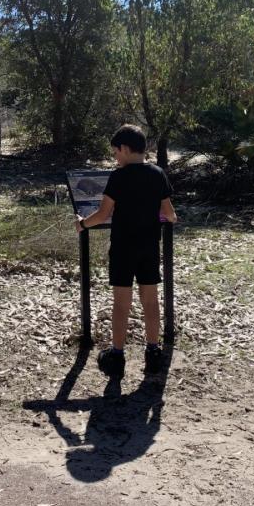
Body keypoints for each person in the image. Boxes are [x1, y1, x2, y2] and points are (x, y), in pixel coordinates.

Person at [74, 124, 177, 378]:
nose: (115, 157)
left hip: (122, 248)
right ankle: (153, 352)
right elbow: (170, 214)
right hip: (149, 247)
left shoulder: (118, 177)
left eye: (115, 152)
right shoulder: (158, 174)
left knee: (121, 303)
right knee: (150, 301)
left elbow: (103, 214)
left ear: (125, 149)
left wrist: (82, 223)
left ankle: (117, 356)